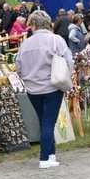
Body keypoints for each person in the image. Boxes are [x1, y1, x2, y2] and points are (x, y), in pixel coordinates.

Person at [15, 11, 73, 169]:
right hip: (52, 86)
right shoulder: (56, 40)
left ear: (33, 25)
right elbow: (69, 61)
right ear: (48, 23)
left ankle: (51, 154)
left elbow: (18, 67)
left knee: (44, 121)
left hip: (32, 89)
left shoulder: (25, 44)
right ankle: (44, 158)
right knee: (48, 122)